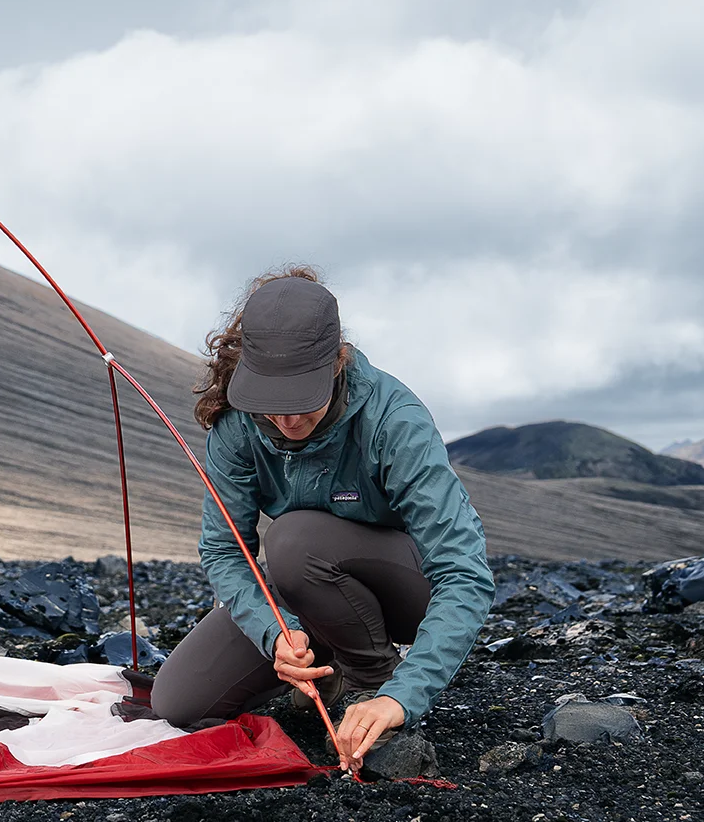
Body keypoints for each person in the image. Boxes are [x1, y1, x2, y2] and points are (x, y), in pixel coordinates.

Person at [151, 268, 493, 770]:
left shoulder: (394, 421)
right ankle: (329, 671)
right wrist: (275, 634)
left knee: (293, 538)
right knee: (179, 703)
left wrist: (404, 695)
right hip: (307, 587)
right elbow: (225, 548)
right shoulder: (236, 426)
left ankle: (373, 679)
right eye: (272, 403)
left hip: (407, 588)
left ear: (336, 362)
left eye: (301, 400)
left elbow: (465, 573)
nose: (286, 421)